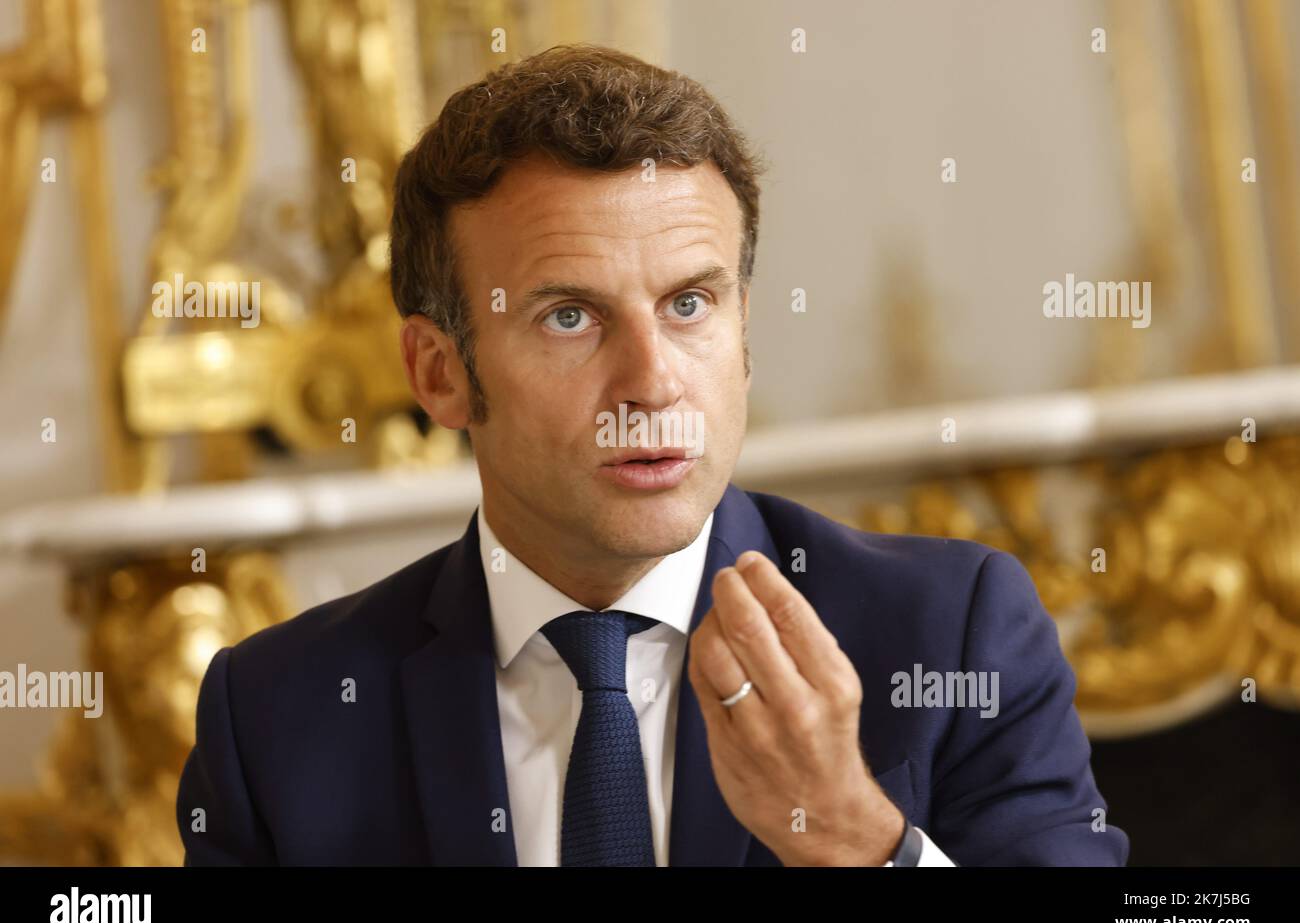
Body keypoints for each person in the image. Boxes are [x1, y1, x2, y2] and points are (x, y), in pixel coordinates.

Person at [177, 43, 1127, 867]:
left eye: (688, 305)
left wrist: (852, 839)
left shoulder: (951, 633)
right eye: (569, 316)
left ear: (744, 331)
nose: (653, 382)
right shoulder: (274, 717)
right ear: (438, 373)